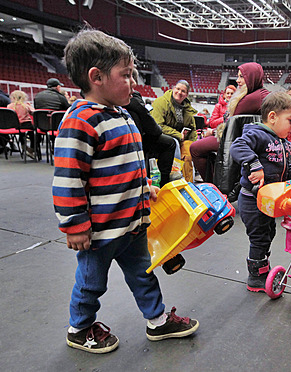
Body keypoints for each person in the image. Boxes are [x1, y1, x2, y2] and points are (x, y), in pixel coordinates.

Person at [52, 29, 198, 354]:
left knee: (144, 274)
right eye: (126, 75)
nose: (133, 82)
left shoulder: (121, 114)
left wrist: (145, 187)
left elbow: (127, 164)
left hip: (132, 225)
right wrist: (75, 226)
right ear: (97, 77)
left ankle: (158, 321)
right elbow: (68, 180)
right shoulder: (79, 122)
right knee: (91, 284)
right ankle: (80, 328)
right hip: (101, 232)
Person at [230, 91, 291, 292]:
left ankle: (262, 265)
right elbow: (238, 146)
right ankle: (256, 277)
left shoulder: (283, 142)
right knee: (259, 236)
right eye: (290, 120)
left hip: (268, 201)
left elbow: (286, 169)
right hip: (252, 200)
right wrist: (254, 164)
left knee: (268, 232)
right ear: (272, 117)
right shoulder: (257, 134)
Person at [190, 63, 269, 183]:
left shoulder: (250, 98)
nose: (238, 80)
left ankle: (212, 184)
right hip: (240, 137)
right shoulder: (261, 94)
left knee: (195, 148)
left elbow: (230, 125)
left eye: (242, 77)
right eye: (238, 76)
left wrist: (214, 132)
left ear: (251, 77)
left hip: (233, 140)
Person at [124, 69, 177, 186]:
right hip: (135, 140)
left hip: (136, 138)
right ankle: (162, 185)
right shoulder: (133, 98)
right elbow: (153, 128)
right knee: (171, 143)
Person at [151, 80, 197, 182]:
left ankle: (188, 183)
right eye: (178, 89)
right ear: (173, 89)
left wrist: (193, 144)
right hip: (163, 136)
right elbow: (158, 125)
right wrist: (178, 135)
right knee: (174, 143)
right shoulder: (160, 102)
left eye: (183, 91)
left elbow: (192, 128)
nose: (179, 92)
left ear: (187, 94)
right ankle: (175, 176)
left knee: (189, 150)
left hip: (181, 138)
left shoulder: (187, 109)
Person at [7, 90, 35, 158]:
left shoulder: (9, 106)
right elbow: (34, 112)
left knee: (21, 132)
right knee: (33, 132)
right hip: (26, 125)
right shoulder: (25, 105)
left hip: (14, 126)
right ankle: (32, 149)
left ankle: (23, 144)